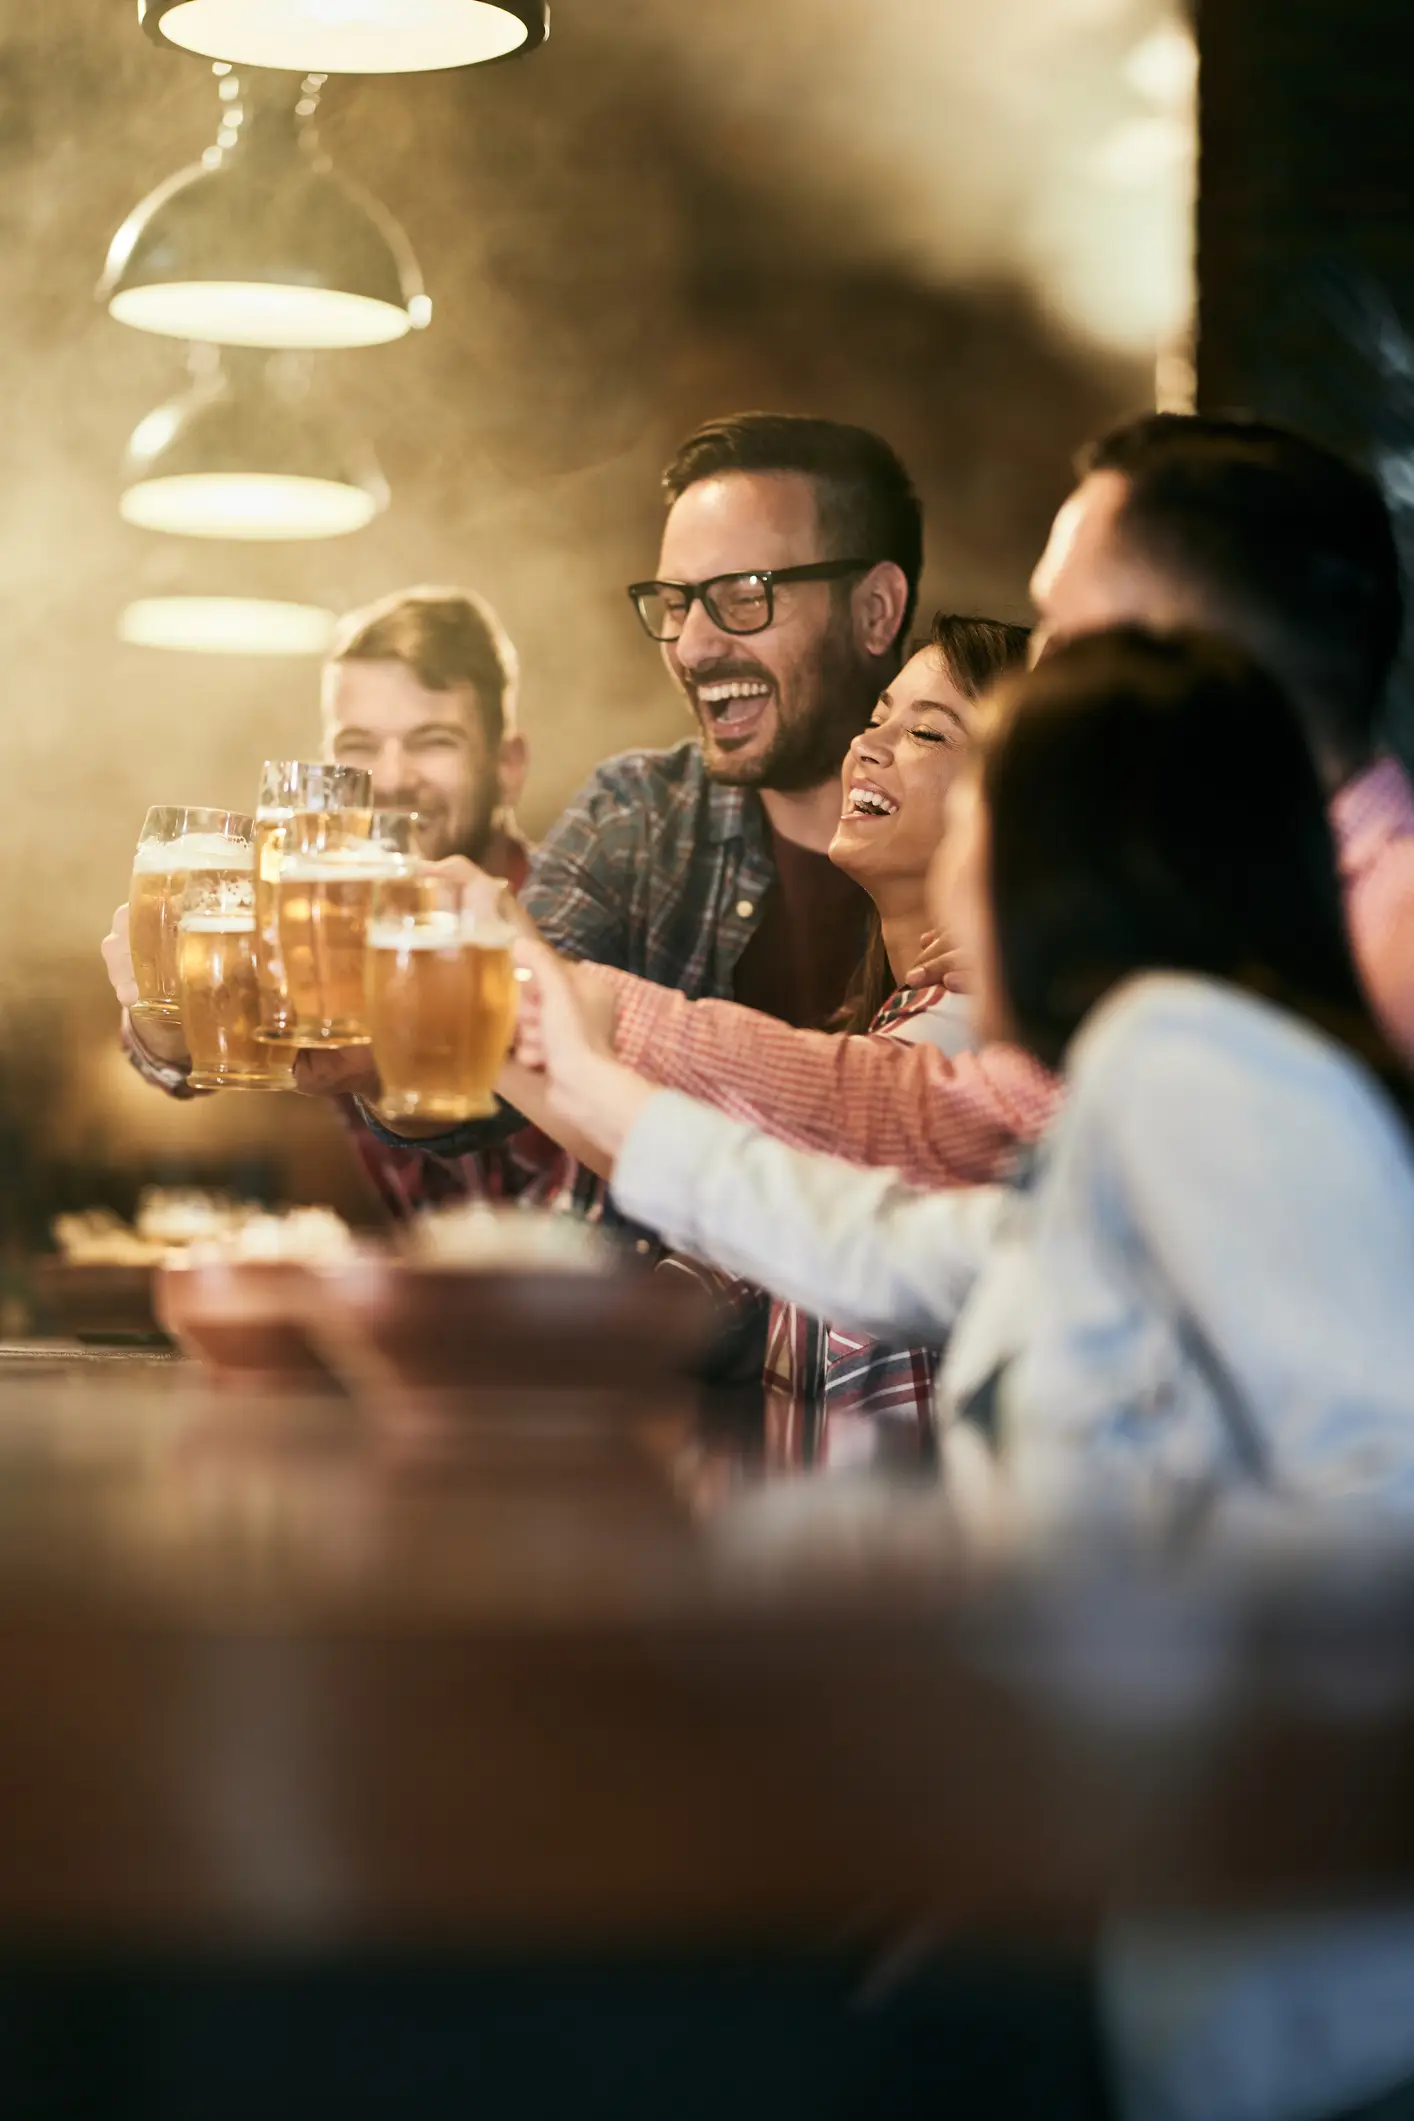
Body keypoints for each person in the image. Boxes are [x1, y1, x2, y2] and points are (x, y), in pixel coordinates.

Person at [515, 625, 1414, 2121]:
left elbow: (1382, 1503)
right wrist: (562, 1065)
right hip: (1144, 1927)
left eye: (972, 785)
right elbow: (890, 1247)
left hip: (1286, 2006)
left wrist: (1024, 1631)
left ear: (1060, 842)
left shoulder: (1187, 1057)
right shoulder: (1149, 1077)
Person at [1031, 410, 1414, 1061]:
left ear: (1206, 660)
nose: (1034, 672)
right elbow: (996, 1111)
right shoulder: (1213, 896)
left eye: (1068, 640)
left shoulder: (1394, 946)